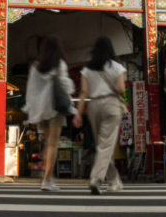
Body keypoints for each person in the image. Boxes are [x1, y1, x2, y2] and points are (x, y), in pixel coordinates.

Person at [73, 36, 126, 195]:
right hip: (111, 104)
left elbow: (83, 92)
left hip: (93, 106)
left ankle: (114, 180)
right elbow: (121, 88)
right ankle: (96, 178)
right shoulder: (117, 67)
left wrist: (78, 113)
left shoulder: (87, 70)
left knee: (101, 145)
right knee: (105, 145)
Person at [23, 35, 75, 191]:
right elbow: (66, 86)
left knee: (47, 144)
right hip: (56, 109)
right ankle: (47, 180)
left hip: (41, 109)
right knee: (53, 144)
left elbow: (31, 91)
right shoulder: (59, 64)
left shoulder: (36, 67)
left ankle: (47, 176)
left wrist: (31, 109)